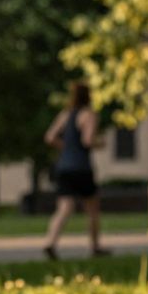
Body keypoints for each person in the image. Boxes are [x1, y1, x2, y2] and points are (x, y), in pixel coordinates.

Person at [42, 82, 108, 260]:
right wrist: (100, 142)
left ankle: (50, 242)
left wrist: (66, 147)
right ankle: (95, 246)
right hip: (81, 167)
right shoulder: (89, 115)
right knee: (92, 209)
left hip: (64, 167)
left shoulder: (65, 115)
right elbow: (87, 140)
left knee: (64, 207)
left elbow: (49, 137)